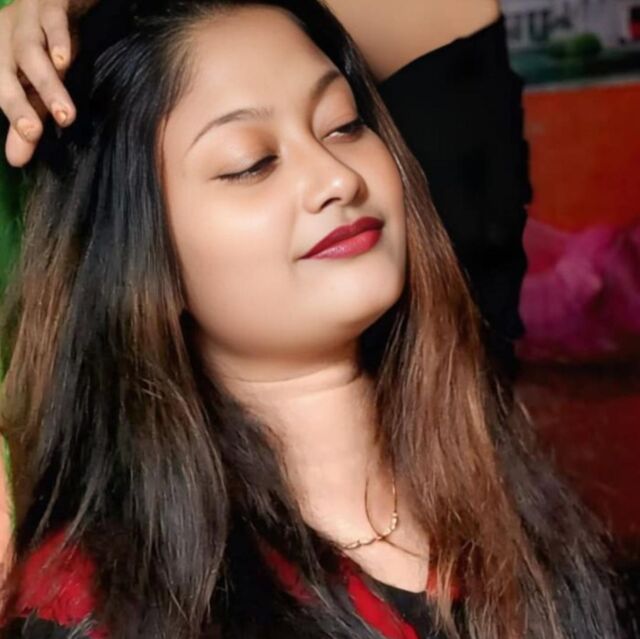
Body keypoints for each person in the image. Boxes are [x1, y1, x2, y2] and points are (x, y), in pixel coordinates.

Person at [0, 0, 620, 638]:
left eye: (343, 126)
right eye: (251, 163)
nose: (336, 177)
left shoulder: (511, 504)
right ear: (137, 254)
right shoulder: (100, 604)